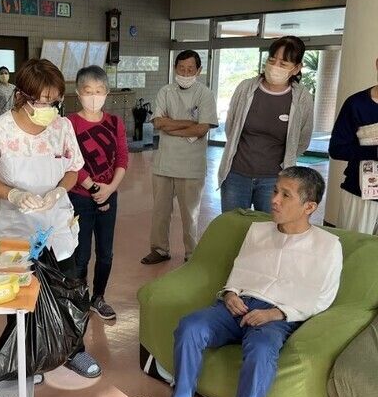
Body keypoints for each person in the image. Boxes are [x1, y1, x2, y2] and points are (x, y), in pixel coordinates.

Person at [144, 166, 342, 397]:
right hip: (238, 304)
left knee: (261, 350)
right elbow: (240, 270)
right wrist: (230, 293)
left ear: (309, 207)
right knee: (190, 326)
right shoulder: (258, 231)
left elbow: (323, 297)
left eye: (286, 195)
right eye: (275, 191)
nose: (274, 200)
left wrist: (277, 314)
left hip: (278, 316)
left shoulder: (327, 245)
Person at [0, 58, 102, 378]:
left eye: (55, 101)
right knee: (20, 297)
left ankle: (74, 351)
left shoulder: (62, 127)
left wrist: (58, 191)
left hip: (57, 225)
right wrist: (13, 194)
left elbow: (73, 169)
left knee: (68, 290)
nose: (49, 108)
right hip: (16, 228)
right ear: (21, 96)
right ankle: (28, 356)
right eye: (42, 101)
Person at [218, 36, 314, 214]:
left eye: (283, 63)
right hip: (236, 174)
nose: (275, 66)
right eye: (272, 60)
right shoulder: (246, 88)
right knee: (233, 225)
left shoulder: (302, 98)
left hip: (275, 179)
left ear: (296, 68)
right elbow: (231, 127)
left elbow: (302, 140)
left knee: (270, 227)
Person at [141, 50, 218, 265]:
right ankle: (159, 249)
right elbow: (158, 123)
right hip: (164, 163)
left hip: (191, 166)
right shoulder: (166, 91)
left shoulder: (204, 94)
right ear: (175, 68)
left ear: (198, 71)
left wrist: (172, 126)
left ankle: (191, 253)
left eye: (190, 69)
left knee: (190, 214)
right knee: (160, 211)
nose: (185, 73)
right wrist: (189, 124)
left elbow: (202, 129)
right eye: (181, 69)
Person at [67, 66, 128, 320]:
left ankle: (98, 298)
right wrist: (93, 188)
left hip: (109, 195)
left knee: (105, 252)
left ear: (107, 92)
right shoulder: (69, 123)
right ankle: (80, 298)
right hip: (79, 197)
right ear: (78, 93)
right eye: (88, 91)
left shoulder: (114, 122)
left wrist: (110, 189)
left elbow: (122, 158)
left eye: (99, 91)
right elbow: (71, 162)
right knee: (81, 253)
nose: (94, 96)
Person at [328, 57, 378, 234]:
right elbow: (336, 149)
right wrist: (373, 151)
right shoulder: (356, 104)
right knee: (354, 246)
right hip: (359, 193)